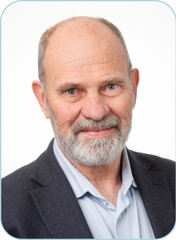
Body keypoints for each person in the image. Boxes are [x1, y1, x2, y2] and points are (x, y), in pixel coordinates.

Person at [2, 16, 175, 239]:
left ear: (134, 87)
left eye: (111, 86)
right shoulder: (7, 208)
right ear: (43, 100)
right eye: (72, 91)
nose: (96, 112)